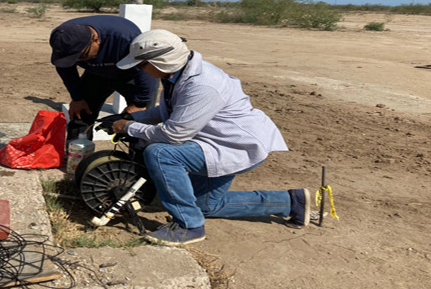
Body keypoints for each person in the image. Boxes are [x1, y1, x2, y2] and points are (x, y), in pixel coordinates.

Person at [107, 29, 309, 246]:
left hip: (234, 146)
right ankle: (292, 202)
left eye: (141, 65)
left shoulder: (202, 85)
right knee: (205, 206)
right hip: (215, 141)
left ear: (161, 61)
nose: (140, 70)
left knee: (160, 154)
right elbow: (170, 111)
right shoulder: (176, 75)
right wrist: (131, 117)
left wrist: (129, 127)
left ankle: (188, 226)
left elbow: (174, 134)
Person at [49, 15, 156, 140]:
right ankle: (77, 156)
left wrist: (139, 103)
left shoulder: (126, 38)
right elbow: (64, 68)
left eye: (82, 55)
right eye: (73, 58)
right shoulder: (62, 38)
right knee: (80, 115)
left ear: (95, 39)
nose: (78, 61)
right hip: (96, 74)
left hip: (132, 74)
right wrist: (77, 98)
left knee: (138, 121)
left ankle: (135, 158)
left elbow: (146, 69)